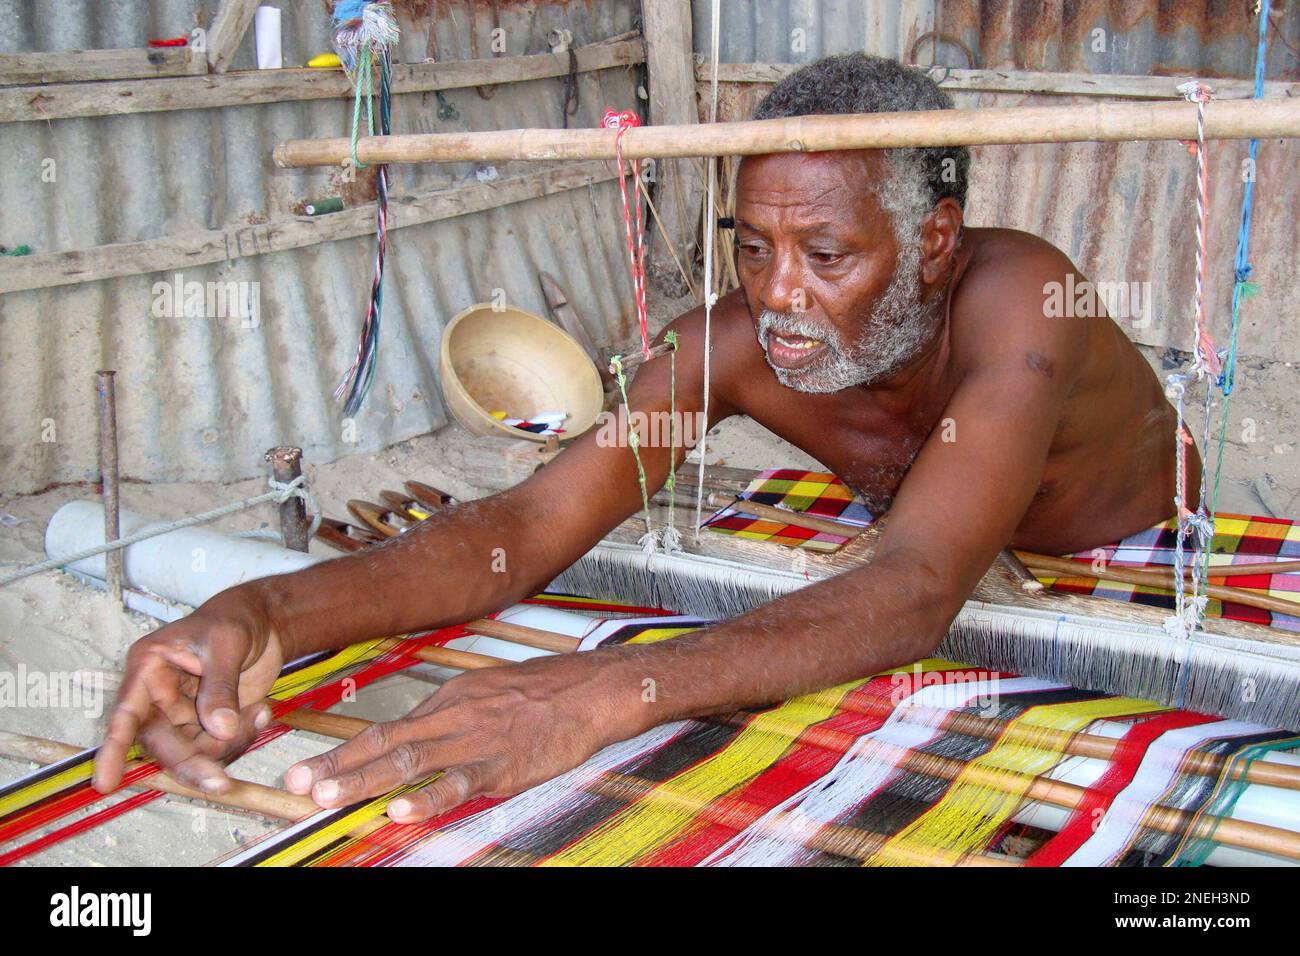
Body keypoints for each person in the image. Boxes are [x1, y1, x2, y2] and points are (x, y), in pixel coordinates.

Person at [94, 53, 1195, 825]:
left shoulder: (1025, 300)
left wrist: (595, 692)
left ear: (933, 244)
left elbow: (912, 585)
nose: (781, 296)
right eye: (753, 247)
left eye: (825, 253)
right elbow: (525, 523)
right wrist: (259, 607)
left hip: (1140, 561)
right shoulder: (729, 346)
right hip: (944, 544)